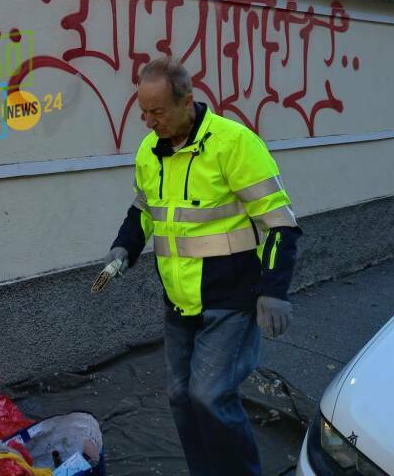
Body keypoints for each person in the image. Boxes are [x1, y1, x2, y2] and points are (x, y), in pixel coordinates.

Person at [101, 56, 301, 476]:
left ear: (187, 102)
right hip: (178, 301)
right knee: (180, 396)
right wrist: (123, 248)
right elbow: (143, 209)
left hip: (229, 300)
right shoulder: (148, 152)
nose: (148, 121)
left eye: (157, 111)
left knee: (210, 396)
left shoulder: (234, 143)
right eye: (143, 111)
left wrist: (273, 291)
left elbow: (279, 224)